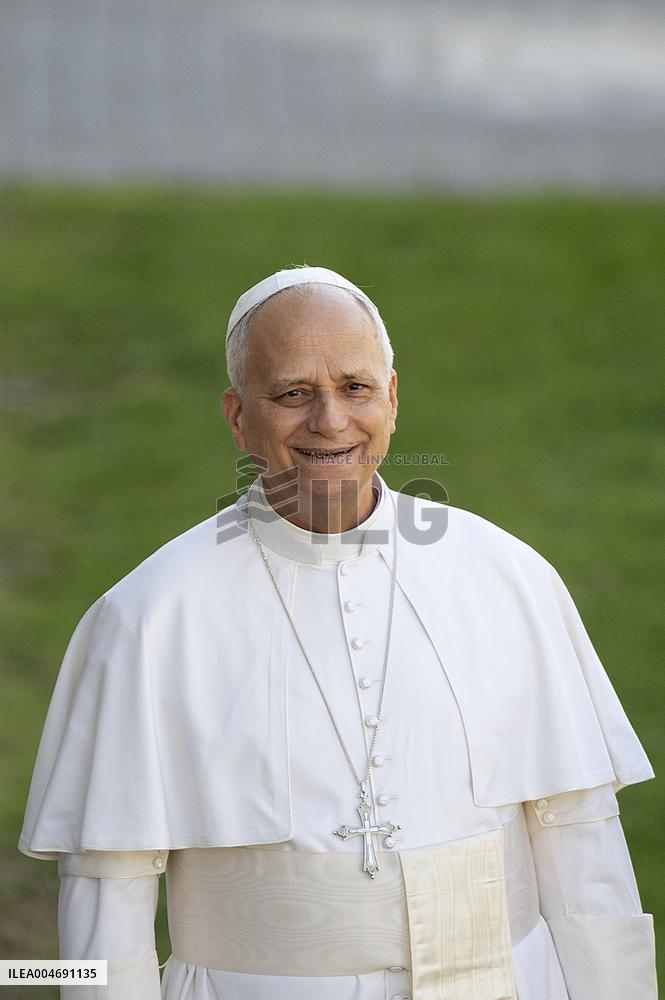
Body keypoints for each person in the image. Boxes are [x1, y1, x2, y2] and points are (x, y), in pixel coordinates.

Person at [20, 266, 657, 1000]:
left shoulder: (508, 578)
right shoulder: (148, 618)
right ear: (236, 416)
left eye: (354, 387)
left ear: (391, 397)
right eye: (293, 393)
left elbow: (581, 843)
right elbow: (109, 902)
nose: (329, 421)